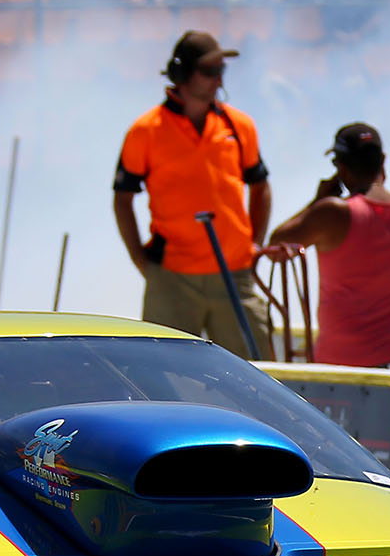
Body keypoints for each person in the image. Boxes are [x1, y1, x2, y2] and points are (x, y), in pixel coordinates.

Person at [111, 30, 273, 359]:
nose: (219, 79)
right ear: (182, 74)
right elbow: (122, 198)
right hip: (172, 279)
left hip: (235, 276)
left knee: (256, 375)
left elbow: (261, 186)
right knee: (161, 375)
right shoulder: (145, 131)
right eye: (210, 70)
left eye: (221, 70)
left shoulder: (239, 125)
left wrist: (253, 245)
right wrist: (140, 260)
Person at [267, 122, 390, 367]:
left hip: (342, 364)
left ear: (340, 167)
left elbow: (275, 247)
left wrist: (316, 202)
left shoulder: (333, 213)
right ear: (382, 161)